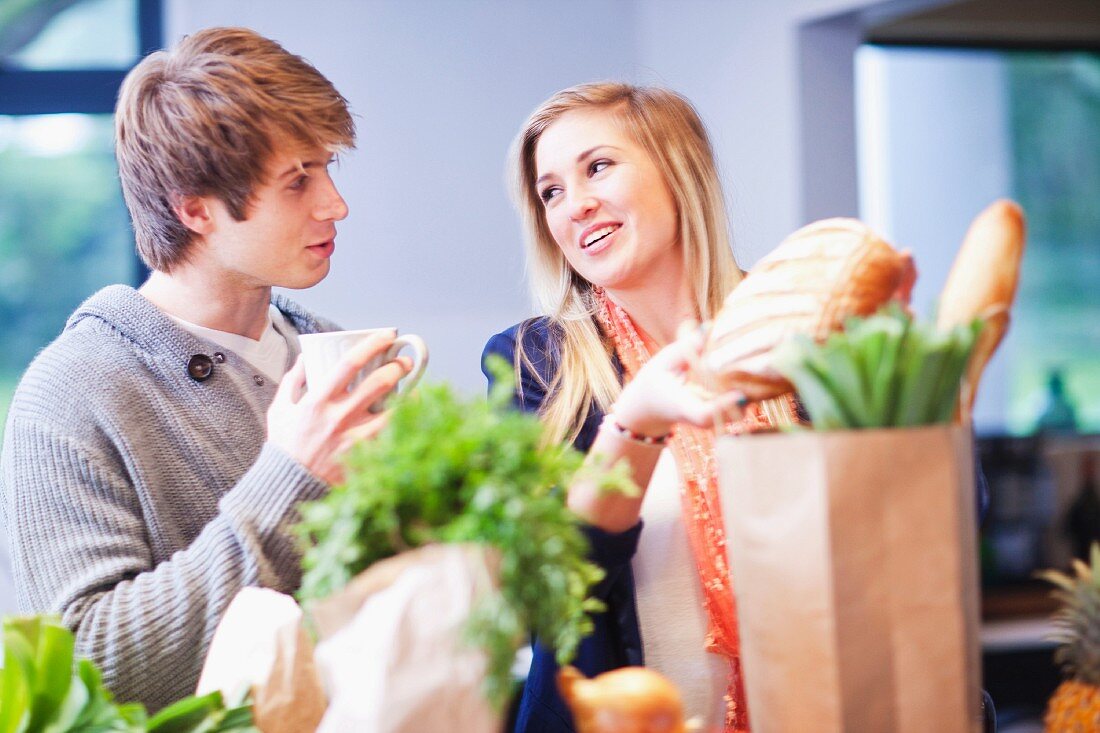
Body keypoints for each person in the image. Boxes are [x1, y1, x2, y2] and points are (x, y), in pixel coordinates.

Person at [0, 27, 410, 711]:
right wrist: (293, 480)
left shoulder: (330, 349)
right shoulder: (71, 393)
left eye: (328, 167)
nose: (334, 203)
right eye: (297, 180)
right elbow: (84, 673)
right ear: (192, 207)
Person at [483, 82, 765, 733]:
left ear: (678, 167)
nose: (575, 205)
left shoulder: (787, 330)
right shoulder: (534, 362)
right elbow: (549, 593)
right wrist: (633, 425)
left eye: (598, 167)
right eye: (550, 191)